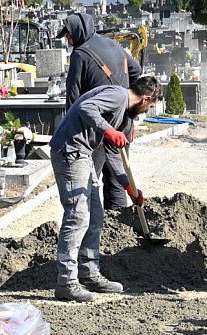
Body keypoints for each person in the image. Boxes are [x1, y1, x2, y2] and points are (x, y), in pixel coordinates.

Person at [49, 76, 163, 302]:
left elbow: (113, 153)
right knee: (77, 217)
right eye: (149, 107)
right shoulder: (118, 95)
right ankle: (67, 282)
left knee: (95, 216)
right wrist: (109, 130)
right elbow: (86, 107)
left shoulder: (123, 114)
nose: (146, 112)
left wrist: (128, 185)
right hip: (70, 152)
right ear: (145, 99)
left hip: (84, 155)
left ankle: (89, 273)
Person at [59, 12, 143, 210]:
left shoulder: (80, 55)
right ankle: (118, 222)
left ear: (78, 32)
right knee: (117, 179)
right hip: (121, 124)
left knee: (89, 180)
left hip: (95, 128)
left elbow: (73, 98)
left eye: (69, 36)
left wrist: (71, 132)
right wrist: (121, 94)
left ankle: (92, 223)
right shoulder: (115, 46)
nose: (68, 41)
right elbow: (136, 70)